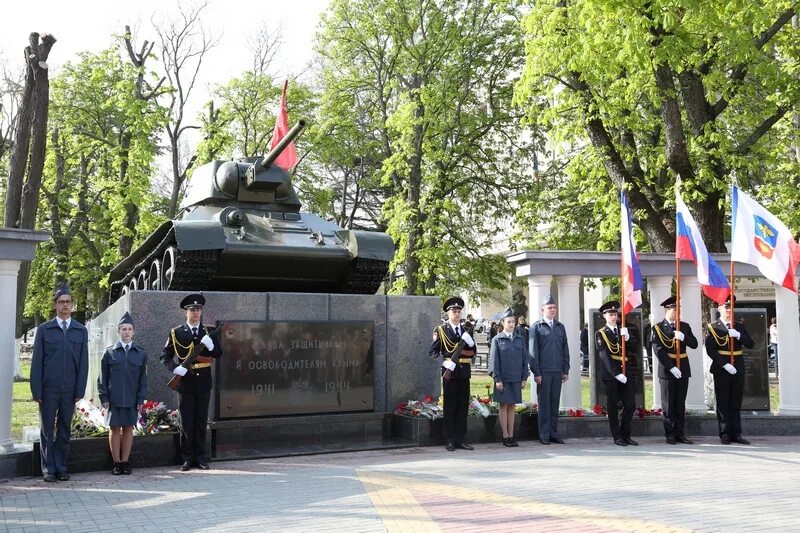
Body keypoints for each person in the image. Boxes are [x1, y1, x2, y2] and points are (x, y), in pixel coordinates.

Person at [30, 283, 89, 482]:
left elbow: (84, 363)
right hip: (48, 389)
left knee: (65, 428)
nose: (65, 305)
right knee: (47, 429)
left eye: (68, 302)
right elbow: (37, 362)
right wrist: (36, 389)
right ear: (55, 305)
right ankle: (48, 469)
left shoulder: (80, 331)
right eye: (61, 302)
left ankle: (61, 466)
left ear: (72, 305)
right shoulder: (45, 330)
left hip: (70, 389)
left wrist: (80, 389)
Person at [161, 293, 223, 470]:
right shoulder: (176, 332)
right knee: (187, 421)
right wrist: (174, 368)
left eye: (199, 310)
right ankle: (187, 457)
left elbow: (218, 354)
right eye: (192, 310)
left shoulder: (209, 331)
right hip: (185, 382)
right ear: (185, 312)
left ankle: (201, 457)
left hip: (203, 381)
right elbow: (164, 356)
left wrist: (211, 346)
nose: (196, 313)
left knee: (201, 420)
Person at [98, 312, 147, 475]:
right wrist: (103, 396)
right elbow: (102, 377)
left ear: (134, 331)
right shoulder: (109, 352)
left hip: (132, 398)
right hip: (114, 397)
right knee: (114, 428)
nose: (126, 332)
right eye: (123, 329)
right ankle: (116, 463)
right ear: (118, 331)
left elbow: (142, 379)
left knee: (128, 428)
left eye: (129, 329)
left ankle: (125, 461)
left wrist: (141, 398)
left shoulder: (140, 353)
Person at [429, 296, 477, 451]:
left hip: (464, 373)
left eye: (459, 311)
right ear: (448, 314)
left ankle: (461, 439)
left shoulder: (466, 330)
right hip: (450, 372)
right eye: (454, 312)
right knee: (450, 407)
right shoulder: (441, 330)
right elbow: (433, 352)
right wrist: (443, 362)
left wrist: (470, 344)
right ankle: (449, 439)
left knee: (463, 407)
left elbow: (473, 352)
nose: (457, 314)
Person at [705, 296, 754, 445]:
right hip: (722, 368)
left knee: (735, 402)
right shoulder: (713, 327)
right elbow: (710, 350)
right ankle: (725, 433)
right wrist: (725, 364)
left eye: (730, 307)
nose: (728, 310)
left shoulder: (738, 326)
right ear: (719, 309)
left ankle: (736, 433)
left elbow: (751, 344)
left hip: (737, 366)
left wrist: (739, 335)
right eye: (725, 307)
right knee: (723, 402)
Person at [650, 296, 697, 445]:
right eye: (673, 310)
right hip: (667, 369)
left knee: (680, 404)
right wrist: (671, 367)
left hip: (683, 367)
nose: (676, 312)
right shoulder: (657, 328)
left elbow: (694, 344)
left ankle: (680, 433)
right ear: (666, 310)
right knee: (668, 404)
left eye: (678, 310)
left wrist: (683, 337)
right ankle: (670, 434)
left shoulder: (684, 326)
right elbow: (658, 350)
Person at [595, 300, 639, 447]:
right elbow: (604, 355)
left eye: (615, 314)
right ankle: (617, 436)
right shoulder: (601, 333)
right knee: (613, 406)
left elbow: (634, 348)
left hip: (626, 371)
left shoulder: (623, 330)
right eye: (610, 314)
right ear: (604, 316)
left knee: (631, 405)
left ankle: (626, 434)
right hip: (611, 374)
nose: (613, 317)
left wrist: (627, 338)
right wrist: (616, 373)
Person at [529, 295, 570, 445]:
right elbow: (533, 352)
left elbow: (565, 348)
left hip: (557, 370)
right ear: (542, 310)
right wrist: (537, 372)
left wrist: (566, 369)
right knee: (544, 403)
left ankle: (553, 433)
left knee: (554, 403)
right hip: (544, 372)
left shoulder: (560, 327)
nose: (552, 310)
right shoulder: (536, 327)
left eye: (554, 308)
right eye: (549, 308)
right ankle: (544, 434)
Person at [490, 307, 529, 447]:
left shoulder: (519, 339)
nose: (511, 324)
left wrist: (524, 377)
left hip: (516, 378)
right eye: (508, 322)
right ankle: (505, 435)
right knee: (504, 406)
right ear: (503, 323)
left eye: (513, 321)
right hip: (503, 379)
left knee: (512, 406)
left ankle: (512, 435)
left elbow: (525, 359)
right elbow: (494, 361)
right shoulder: (497, 339)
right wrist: (497, 379)